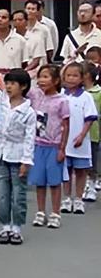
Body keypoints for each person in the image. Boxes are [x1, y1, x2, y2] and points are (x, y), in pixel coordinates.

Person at [0, 68, 35, 245]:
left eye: (13, 83)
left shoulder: (28, 112)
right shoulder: (2, 99)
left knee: (18, 193)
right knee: (2, 193)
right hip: (0, 153)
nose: (9, 87)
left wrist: (26, 161)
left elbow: (29, 138)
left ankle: (17, 227)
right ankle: (5, 225)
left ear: (24, 86)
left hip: (17, 155)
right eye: (8, 83)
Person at [28, 64, 70, 229]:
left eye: (46, 77)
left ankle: (55, 213)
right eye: (40, 76)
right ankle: (40, 212)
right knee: (39, 181)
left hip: (54, 146)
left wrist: (62, 148)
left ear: (56, 80)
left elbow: (66, 125)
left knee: (54, 182)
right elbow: (24, 83)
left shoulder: (62, 101)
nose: (41, 80)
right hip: (38, 144)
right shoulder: (36, 96)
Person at [60, 62, 97, 215]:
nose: (71, 78)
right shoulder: (61, 95)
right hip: (64, 141)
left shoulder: (86, 97)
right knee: (65, 170)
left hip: (79, 140)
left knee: (80, 171)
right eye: (68, 75)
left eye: (75, 75)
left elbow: (89, 118)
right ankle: (67, 198)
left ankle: (79, 199)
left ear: (82, 78)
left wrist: (82, 135)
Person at [83, 62, 101, 198]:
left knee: (93, 160)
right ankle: (83, 185)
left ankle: (92, 185)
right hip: (78, 133)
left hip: (94, 132)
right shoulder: (77, 93)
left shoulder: (98, 92)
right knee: (82, 162)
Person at [12, 10, 46, 78]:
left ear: (26, 21)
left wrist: (24, 72)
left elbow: (36, 61)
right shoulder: (10, 38)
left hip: (31, 75)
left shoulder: (36, 38)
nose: (17, 22)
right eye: (15, 20)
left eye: (20, 20)